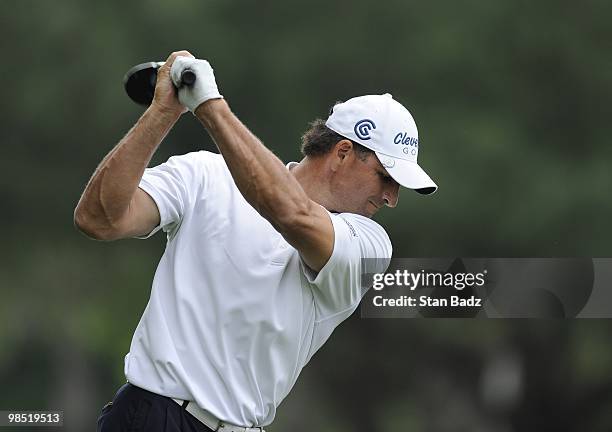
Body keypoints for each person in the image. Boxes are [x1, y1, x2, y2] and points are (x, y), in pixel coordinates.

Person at [75, 50, 437, 432]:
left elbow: (290, 213)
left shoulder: (370, 245)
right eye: (386, 177)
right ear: (343, 152)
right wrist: (163, 112)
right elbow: (98, 219)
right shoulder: (205, 174)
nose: (391, 198)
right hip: (153, 416)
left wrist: (208, 105)